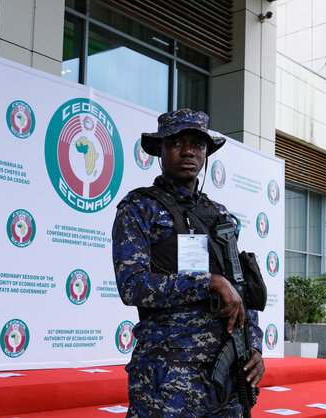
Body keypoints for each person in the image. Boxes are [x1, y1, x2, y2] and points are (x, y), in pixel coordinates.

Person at [111, 109, 265, 417]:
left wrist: (254, 346)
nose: (188, 151)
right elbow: (133, 287)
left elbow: (239, 286)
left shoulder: (220, 215)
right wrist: (207, 281)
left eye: (197, 144)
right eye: (177, 143)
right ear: (160, 150)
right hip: (168, 377)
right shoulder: (139, 208)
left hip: (226, 373)